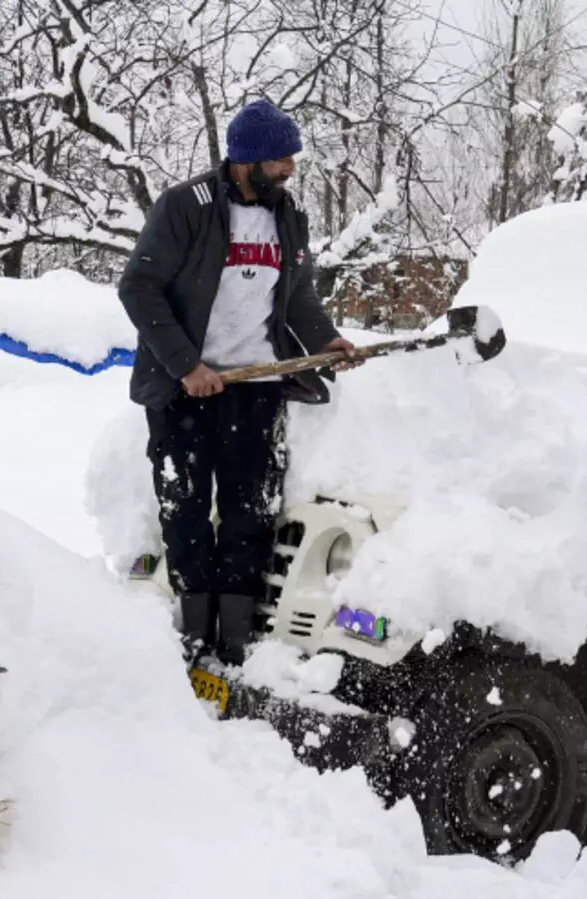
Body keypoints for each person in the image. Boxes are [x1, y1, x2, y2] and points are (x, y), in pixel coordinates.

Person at [118, 98, 356, 666]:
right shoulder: (186, 207)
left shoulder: (287, 215)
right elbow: (139, 288)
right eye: (280, 160)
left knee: (252, 512)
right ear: (245, 160)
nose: (289, 169)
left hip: (258, 386)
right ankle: (193, 638)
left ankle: (237, 641)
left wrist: (324, 341)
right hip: (184, 390)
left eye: (292, 159)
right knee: (187, 511)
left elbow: (296, 293)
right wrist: (186, 366)